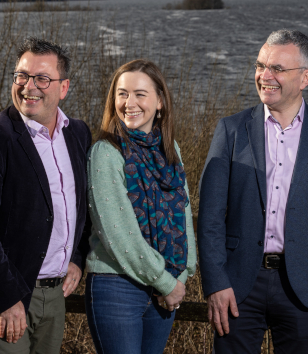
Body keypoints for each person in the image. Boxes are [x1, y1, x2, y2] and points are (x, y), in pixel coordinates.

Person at [198, 29, 308, 354]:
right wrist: (216, 282)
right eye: (261, 66)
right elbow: (210, 216)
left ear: (305, 77)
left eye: (277, 69)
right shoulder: (231, 130)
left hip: (305, 285)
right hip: (238, 285)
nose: (265, 76)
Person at [0, 37, 92, 353]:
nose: (28, 86)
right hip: (5, 294)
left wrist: (77, 257)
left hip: (55, 294)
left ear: (63, 88)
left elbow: (82, 205)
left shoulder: (77, 133)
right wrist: (7, 297)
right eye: (22, 75)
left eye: (42, 79)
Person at [84, 59, 197, 354]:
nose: (128, 103)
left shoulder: (171, 150)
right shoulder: (106, 152)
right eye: (122, 94)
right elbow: (117, 234)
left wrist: (182, 275)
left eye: (139, 94)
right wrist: (166, 282)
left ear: (159, 101)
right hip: (118, 287)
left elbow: (183, 212)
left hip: (166, 286)